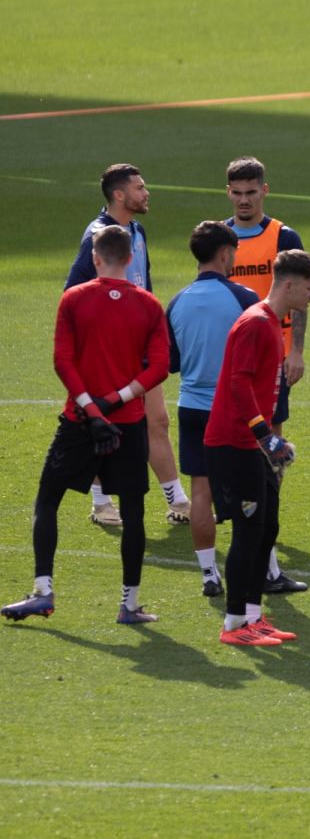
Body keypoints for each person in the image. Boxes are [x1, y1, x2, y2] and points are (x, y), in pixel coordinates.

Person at [5, 227, 170, 626]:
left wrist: (91, 410)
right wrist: (114, 402)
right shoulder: (148, 304)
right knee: (133, 512)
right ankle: (129, 605)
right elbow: (159, 369)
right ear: (130, 259)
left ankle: (43, 592)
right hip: (127, 425)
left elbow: (63, 361)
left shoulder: (74, 299)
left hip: (79, 423)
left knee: (48, 500)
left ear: (95, 258)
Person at [202, 250, 310, 647]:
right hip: (233, 444)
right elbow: (237, 384)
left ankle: (253, 616)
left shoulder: (271, 322)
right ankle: (234, 625)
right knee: (248, 532)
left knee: (266, 527)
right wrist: (265, 437)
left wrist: (267, 440)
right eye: (308, 287)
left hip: (250, 443)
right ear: (288, 284)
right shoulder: (255, 324)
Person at [68, 163, 188, 529]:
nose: (146, 192)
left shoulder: (137, 230)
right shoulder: (98, 238)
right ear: (119, 195)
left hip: (141, 346)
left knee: (158, 419)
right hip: (108, 349)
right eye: (139, 187)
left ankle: (176, 499)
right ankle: (101, 502)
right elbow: (73, 292)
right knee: (107, 421)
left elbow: (144, 285)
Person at [167, 222, 258, 599]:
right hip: (233, 409)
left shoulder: (176, 301)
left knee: (200, 491)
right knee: (250, 491)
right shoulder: (245, 298)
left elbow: (172, 362)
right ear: (224, 254)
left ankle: (209, 574)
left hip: (191, 406)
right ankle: (259, 569)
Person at [222, 157, 306, 442]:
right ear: (228, 192)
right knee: (228, 424)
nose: (243, 200)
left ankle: (270, 486)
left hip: (275, 349)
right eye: (237, 192)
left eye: (251, 192)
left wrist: (296, 351)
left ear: (264, 190)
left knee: (271, 428)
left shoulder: (284, 237)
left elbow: (300, 299)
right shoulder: (219, 237)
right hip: (229, 348)